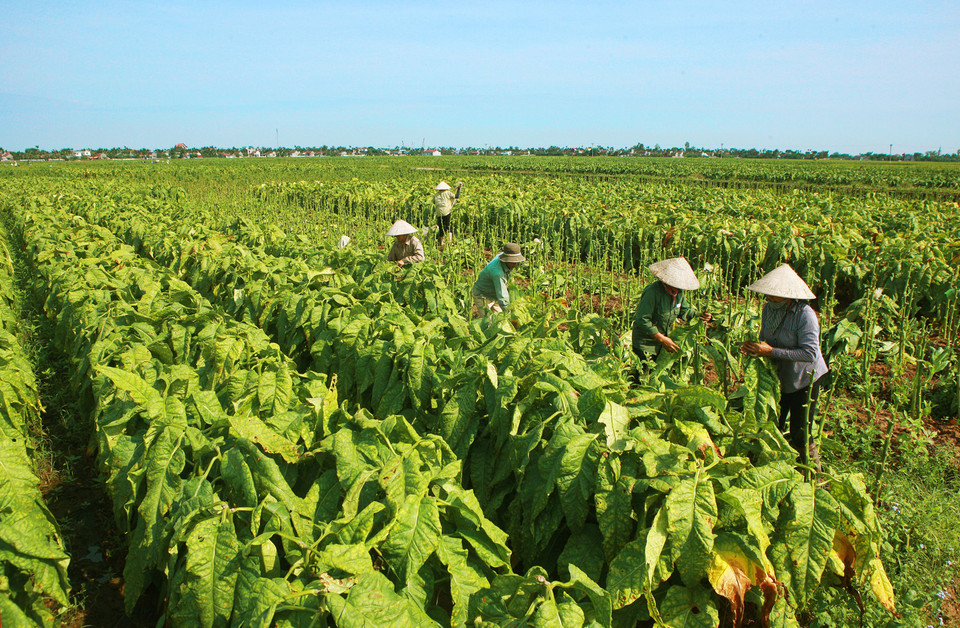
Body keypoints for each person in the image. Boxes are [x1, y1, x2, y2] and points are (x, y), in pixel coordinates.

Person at [740, 264, 829, 466]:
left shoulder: (805, 315)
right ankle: (774, 466)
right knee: (773, 424)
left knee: (800, 430)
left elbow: (810, 353)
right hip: (779, 376)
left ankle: (812, 470)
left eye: (775, 295)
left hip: (804, 378)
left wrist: (771, 352)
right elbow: (765, 339)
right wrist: (754, 347)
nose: (770, 299)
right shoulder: (767, 309)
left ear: (789, 296)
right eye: (768, 295)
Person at [631, 257, 711, 359]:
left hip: (663, 343)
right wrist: (662, 339)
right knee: (644, 372)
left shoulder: (679, 292)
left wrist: (700, 315)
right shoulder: (652, 292)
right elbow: (643, 320)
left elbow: (684, 310)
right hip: (646, 344)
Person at [471, 243, 524, 315]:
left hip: (494, 295)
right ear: (506, 260)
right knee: (487, 322)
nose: (515, 264)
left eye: (516, 261)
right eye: (512, 262)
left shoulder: (501, 256)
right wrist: (510, 314)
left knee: (498, 319)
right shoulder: (497, 273)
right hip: (483, 295)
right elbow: (502, 297)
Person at [433, 180, 463, 249]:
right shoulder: (448, 193)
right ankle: (449, 241)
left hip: (439, 212)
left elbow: (434, 202)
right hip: (446, 211)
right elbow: (456, 196)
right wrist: (459, 189)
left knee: (441, 227)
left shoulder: (436, 195)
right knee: (449, 226)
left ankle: (442, 243)